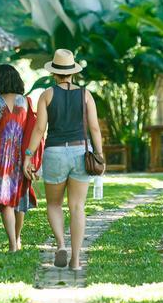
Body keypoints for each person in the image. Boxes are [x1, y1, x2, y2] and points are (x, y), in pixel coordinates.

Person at [23, 48, 104, 271]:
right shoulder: (85, 95)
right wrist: (100, 154)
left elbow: (40, 129)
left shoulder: (46, 95)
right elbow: (95, 128)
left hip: (55, 153)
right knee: (77, 207)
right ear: (72, 72)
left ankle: (60, 245)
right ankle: (76, 260)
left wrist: (28, 156)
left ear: (54, 73)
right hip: (81, 152)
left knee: (54, 204)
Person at [0, 64, 39, 252]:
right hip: (20, 155)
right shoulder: (25, 102)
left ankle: (11, 244)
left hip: (1, 154)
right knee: (19, 198)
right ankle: (17, 238)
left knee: (5, 199)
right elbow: (30, 130)